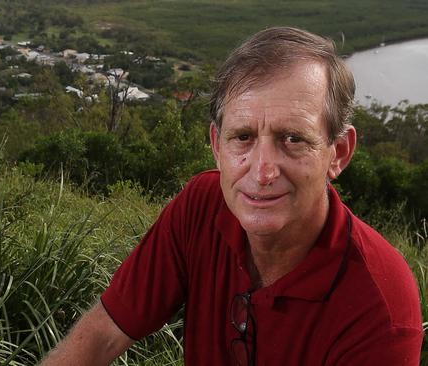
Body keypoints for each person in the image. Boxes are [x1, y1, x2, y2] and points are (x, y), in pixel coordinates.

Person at [40, 26, 423, 365]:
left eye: (293, 139)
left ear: (337, 153)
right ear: (216, 146)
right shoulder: (202, 206)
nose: (262, 171)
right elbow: (105, 332)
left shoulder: (379, 306)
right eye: (243, 137)